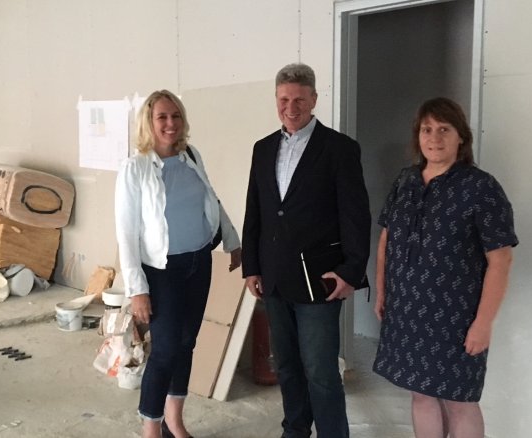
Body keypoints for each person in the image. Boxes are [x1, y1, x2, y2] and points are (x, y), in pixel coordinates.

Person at [372, 97, 517, 438]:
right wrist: (382, 290)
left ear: (460, 137)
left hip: (456, 317)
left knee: (459, 400)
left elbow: (501, 259)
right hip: (406, 311)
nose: (434, 138)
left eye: (444, 129)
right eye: (427, 129)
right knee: (420, 394)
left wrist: (483, 324)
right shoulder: (406, 181)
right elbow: (386, 239)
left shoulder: (481, 188)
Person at [242, 63, 371, 438]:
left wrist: (350, 271)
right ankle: (295, 430)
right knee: (286, 366)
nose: (291, 107)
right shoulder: (263, 149)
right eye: (284, 99)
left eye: (299, 99)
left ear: (314, 99)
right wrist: (252, 266)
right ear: (276, 100)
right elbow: (256, 211)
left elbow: (356, 216)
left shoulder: (339, 149)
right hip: (274, 278)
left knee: (321, 371)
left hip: (320, 279)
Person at [115, 90, 242, 438]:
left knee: (187, 344)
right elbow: (126, 234)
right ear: (149, 122)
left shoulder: (191, 156)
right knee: (166, 349)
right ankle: (151, 429)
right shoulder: (135, 168)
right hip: (162, 272)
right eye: (162, 117)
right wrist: (137, 290)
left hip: (198, 262)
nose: (171, 123)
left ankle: (174, 421)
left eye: (176, 116)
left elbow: (211, 199)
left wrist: (232, 240)